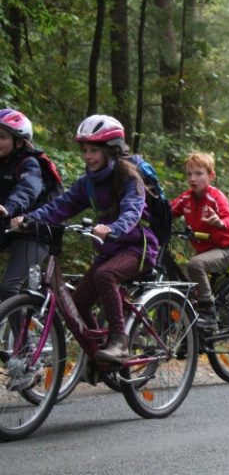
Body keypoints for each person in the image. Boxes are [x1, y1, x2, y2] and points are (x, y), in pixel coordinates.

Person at [12, 114, 159, 363]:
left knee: (105, 275)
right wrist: (29, 219)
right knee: (78, 302)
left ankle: (119, 342)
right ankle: (100, 355)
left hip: (139, 247)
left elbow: (133, 210)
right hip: (111, 250)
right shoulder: (88, 183)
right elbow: (61, 206)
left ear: (111, 151)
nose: (88, 156)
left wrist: (113, 228)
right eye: (85, 150)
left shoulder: (129, 177)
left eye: (94, 150)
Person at [169, 152, 229, 330]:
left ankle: (208, 313)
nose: (193, 178)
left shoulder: (216, 197)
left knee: (195, 264)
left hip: (226, 251)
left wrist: (219, 222)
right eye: (189, 174)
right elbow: (168, 211)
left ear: (211, 176)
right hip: (204, 252)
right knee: (182, 285)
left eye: (199, 174)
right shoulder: (186, 198)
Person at [0, 109, 49, 301]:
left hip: (34, 230)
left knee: (9, 288)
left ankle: (22, 323)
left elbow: (28, 190)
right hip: (7, 226)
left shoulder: (30, 164)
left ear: (19, 142)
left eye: (2, 137)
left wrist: (8, 208)